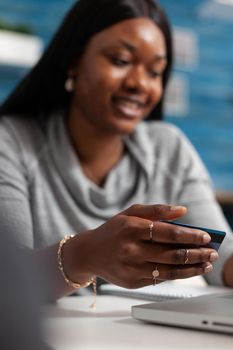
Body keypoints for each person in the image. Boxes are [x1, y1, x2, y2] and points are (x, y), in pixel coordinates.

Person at [0, 0, 232, 302]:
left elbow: (222, 258)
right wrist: (83, 256)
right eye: (121, 60)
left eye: (154, 72)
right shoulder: (11, 142)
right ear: (73, 60)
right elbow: (8, 277)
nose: (139, 84)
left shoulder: (168, 147)